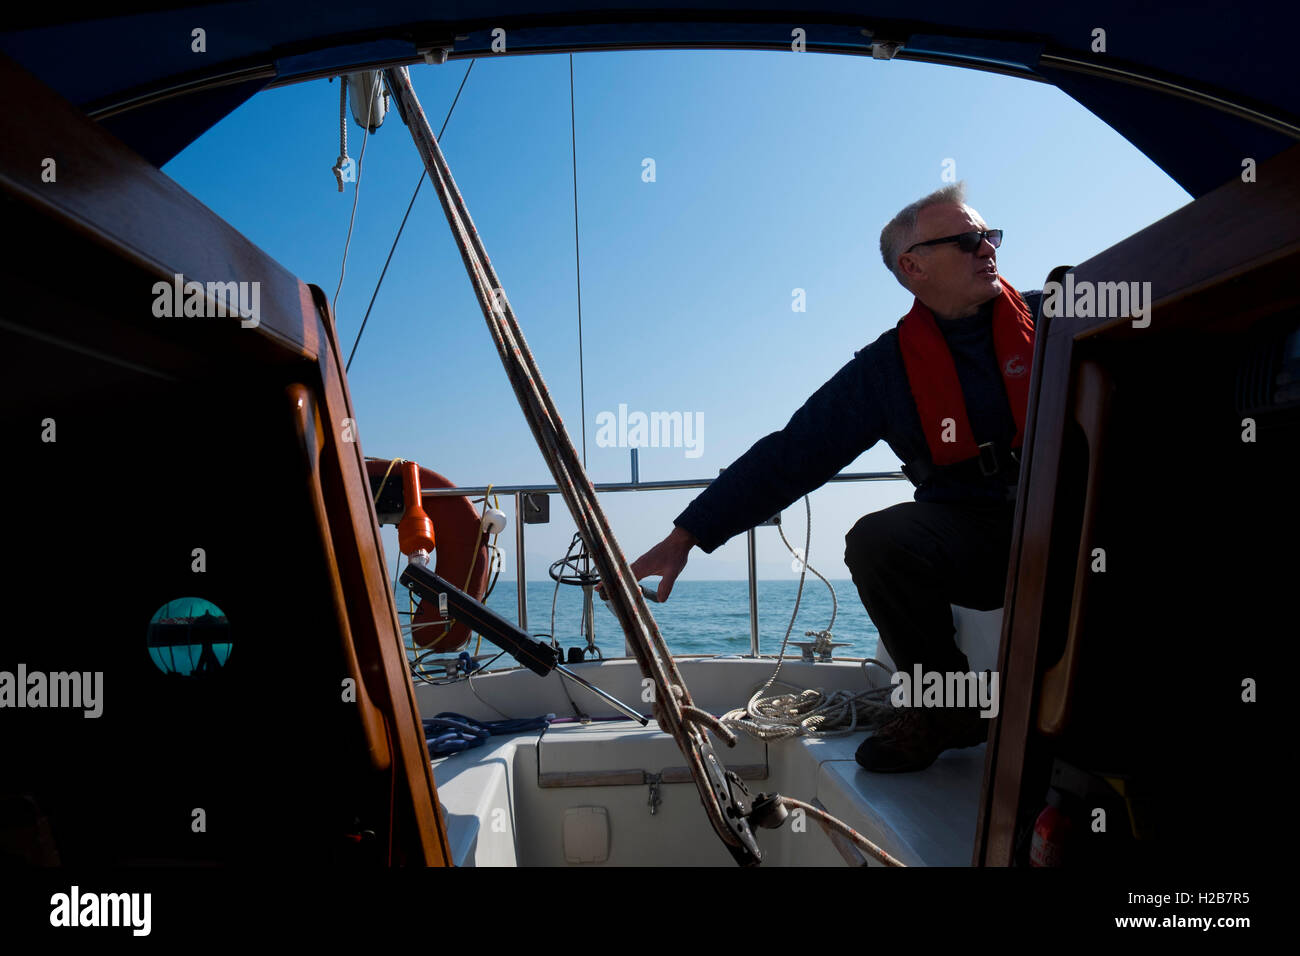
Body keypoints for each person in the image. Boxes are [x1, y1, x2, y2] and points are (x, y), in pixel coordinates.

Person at [622, 182, 1042, 773]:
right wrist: (687, 535)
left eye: (990, 236)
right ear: (913, 267)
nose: (988, 249)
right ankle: (946, 711)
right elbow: (793, 453)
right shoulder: (886, 369)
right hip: (978, 539)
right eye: (968, 240)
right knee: (877, 540)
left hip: (1073, 518)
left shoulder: (1058, 315)